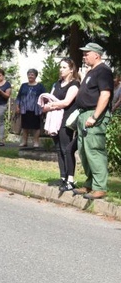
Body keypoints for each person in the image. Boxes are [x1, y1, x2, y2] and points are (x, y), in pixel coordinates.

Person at [73, 43, 114, 200]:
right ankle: (90, 184)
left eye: (86, 53)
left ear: (96, 55)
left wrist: (95, 117)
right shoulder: (92, 71)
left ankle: (100, 187)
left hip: (93, 115)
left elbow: (105, 95)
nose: (84, 56)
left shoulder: (103, 71)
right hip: (84, 115)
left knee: (94, 150)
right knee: (84, 151)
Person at [41, 59, 80, 192]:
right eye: (60, 67)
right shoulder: (57, 84)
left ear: (71, 69)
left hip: (66, 121)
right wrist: (46, 105)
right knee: (58, 149)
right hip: (55, 120)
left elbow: (66, 102)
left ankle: (70, 179)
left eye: (64, 67)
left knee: (66, 149)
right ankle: (63, 177)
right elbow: (50, 98)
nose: (61, 69)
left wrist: (51, 105)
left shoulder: (74, 85)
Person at [16, 69, 46, 148]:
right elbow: (19, 96)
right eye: (29, 74)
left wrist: (44, 107)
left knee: (36, 127)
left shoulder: (40, 86)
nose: (30, 76)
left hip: (36, 109)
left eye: (32, 74)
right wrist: (17, 106)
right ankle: (24, 142)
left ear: (35, 76)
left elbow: (44, 96)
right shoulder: (23, 85)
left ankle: (36, 142)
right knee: (25, 126)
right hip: (25, 109)